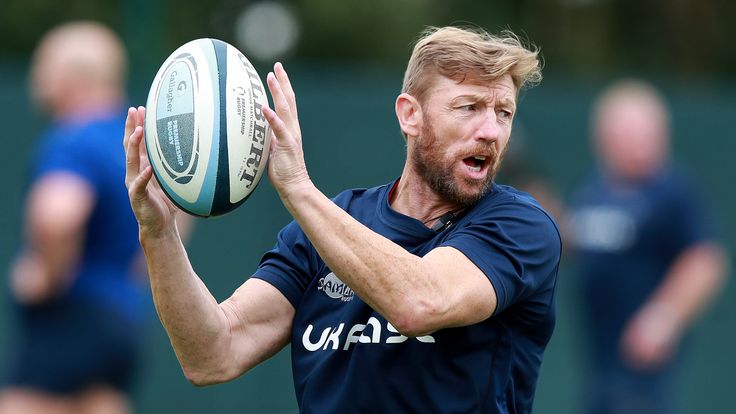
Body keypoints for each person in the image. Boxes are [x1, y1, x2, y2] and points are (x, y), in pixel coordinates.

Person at [124, 26, 561, 413]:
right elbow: (213, 352)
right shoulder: (324, 231)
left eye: (503, 112)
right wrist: (158, 232)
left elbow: (420, 303)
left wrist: (297, 187)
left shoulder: (518, 225)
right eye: (469, 107)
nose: (491, 130)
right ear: (410, 115)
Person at [0, 22, 147, 414]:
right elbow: (171, 224)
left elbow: (58, 216)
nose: (35, 78)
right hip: (123, 322)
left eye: (42, 65)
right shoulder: (132, 144)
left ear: (70, 76)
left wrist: (46, 278)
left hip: (71, 316)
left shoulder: (73, 139)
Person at [568, 80, 728, 414]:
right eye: (626, 132)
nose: (637, 142)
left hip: (641, 369)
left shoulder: (672, 192)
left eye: (644, 132)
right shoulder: (593, 190)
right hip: (599, 358)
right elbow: (572, 240)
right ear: (603, 137)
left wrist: (664, 316)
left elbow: (706, 260)